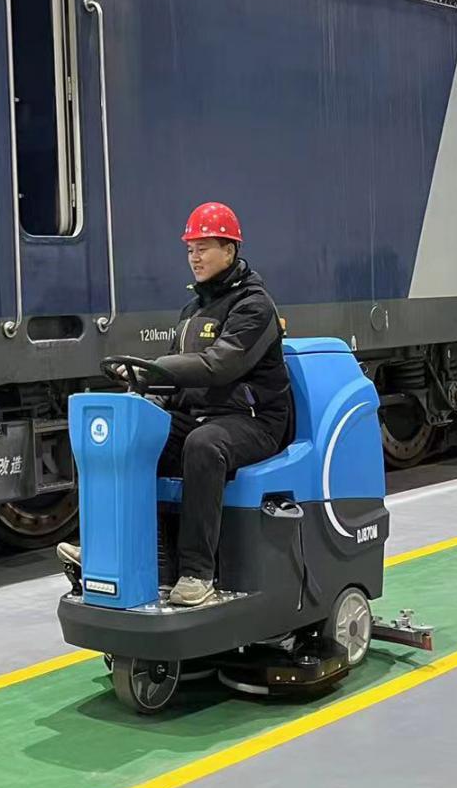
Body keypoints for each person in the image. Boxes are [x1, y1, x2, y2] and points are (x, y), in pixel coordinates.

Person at [59, 202, 292, 607]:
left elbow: (220, 365)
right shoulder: (192, 310)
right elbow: (172, 382)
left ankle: (197, 574)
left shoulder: (254, 306)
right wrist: (143, 404)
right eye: (190, 250)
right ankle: (107, 550)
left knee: (204, 445)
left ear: (230, 250)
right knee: (131, 437)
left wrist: (156, 369)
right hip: (202, 418)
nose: (194, 258)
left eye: (203, 248)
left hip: (253, 421)